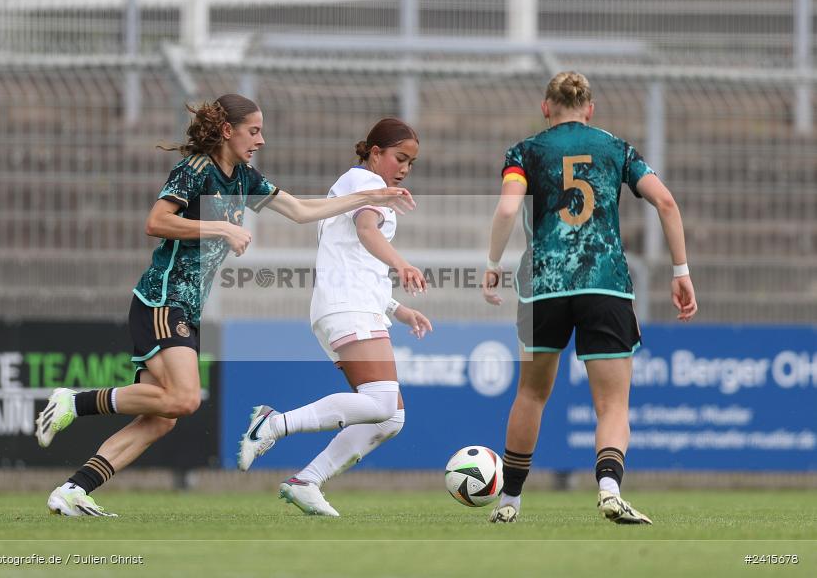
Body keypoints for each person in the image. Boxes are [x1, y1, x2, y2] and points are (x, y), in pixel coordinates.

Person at [34, 95, 415, 517]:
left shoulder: (245, 178)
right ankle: (74, 402)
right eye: (254, 131)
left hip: (186, 307)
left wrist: (370, 197)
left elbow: (302, 211)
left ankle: (74, 489)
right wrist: (220, 227)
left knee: (163, 415)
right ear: (228, 130)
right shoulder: (197, 168)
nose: (261, 140)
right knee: (184, 399)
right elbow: (156, 221)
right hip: (163, 298)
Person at [482, 72, 698, 525]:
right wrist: (680, 271)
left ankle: (509, 502)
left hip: (545, 285)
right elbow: (666, 202)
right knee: (612, 404)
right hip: (604, 284)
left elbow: (507, 208)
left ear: (546, 107)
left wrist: (493, 263)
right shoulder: (616, 148)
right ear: (590, 109)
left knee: (531, 393)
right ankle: (609, 489)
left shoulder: (524, 152)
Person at [237, 118, 432, 517]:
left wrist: (397, 308)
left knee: (390, 417)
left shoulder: (362, 185)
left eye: (411, 162)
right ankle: (273, 424)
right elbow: (366, 231)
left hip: (351, 304)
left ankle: (306, 481)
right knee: (380, 402)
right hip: (348, 306)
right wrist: (402, 264)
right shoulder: (364, 182)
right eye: (400, 158)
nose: (405, 168)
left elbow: (355, 260)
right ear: (375, 152)